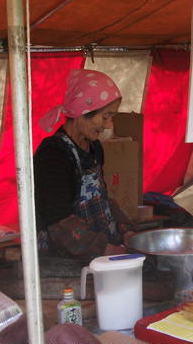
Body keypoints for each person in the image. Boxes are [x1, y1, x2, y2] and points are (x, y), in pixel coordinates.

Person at [34, 69, 133, 259]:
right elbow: (58, 221)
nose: (109, 125)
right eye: (105, 116)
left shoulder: (94, 148)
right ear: (83, 111)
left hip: (99, 253)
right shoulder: (53, 155)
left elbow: (101, 199)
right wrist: (104, 249)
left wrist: (125, 230)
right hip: (65, 259)